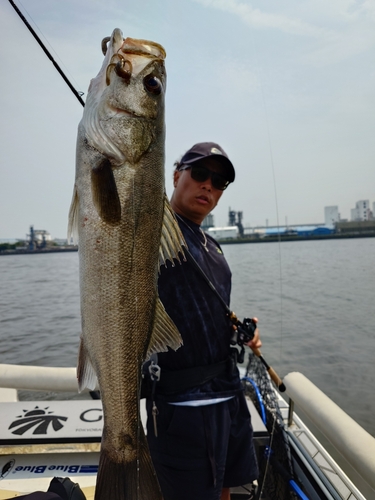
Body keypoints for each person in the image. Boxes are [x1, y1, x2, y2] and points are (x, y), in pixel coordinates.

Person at [146, 142, 261, 500]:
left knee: (226, 489)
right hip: (183, 407)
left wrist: (240, 333)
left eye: (220, 181)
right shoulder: (152, 234)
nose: (209, 185)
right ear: (176, 174)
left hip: (228, 394)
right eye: (199, 174)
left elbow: (203, 309)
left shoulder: (213, 246)